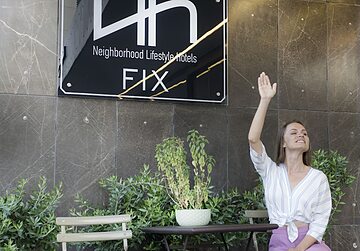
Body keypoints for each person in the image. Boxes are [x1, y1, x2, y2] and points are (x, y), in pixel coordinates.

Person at [248, 72, 332, 251]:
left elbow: (320, 221)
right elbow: (253, 139)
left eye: (304, 133)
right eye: (294, 132)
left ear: (308, 144)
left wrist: (300, 249)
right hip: (279, 238)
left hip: (308, 241)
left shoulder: (318, 178)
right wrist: (265, 100)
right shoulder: (270, 171)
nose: (301, 134)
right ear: (283, 143)